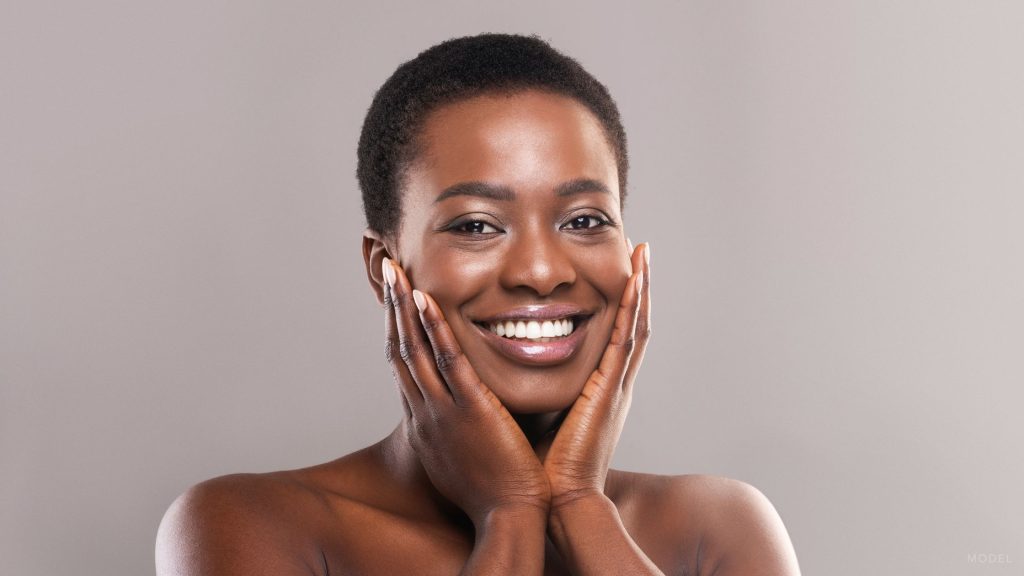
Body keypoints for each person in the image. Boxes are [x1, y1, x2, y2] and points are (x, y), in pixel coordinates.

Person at [156, 33, 801, 575]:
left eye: (583, 220)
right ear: (386, 271)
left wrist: (580, 503)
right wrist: (512, 515)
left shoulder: (717, 530)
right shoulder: (254, 526)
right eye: (476, 226)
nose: (541, 271)